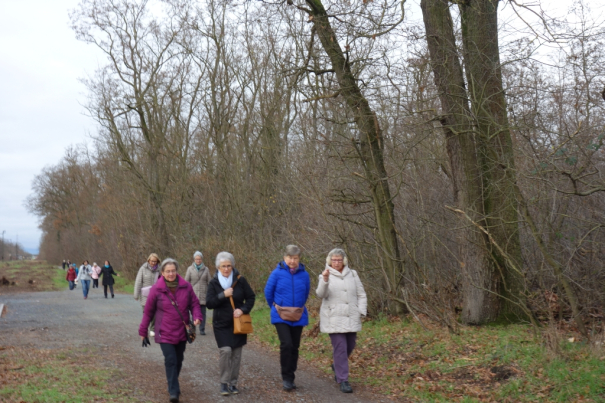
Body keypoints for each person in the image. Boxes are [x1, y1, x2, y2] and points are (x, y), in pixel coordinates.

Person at [139, 258, 202, 403]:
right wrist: (143, 331)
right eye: (167, 271)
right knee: (171, 360)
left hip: (181, 331)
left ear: (177, 271)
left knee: (179, 359)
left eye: (173, 270)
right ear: (162, 272)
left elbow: (195, 304)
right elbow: (148, 312)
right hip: (164, 332)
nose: (171, 273)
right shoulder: (156, 289)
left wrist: (197, 316)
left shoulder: (186, 286)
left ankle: (173, 381)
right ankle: (173, 390)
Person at [316, 248, 367, 394]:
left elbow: (361, 294)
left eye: (339, 260)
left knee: (350, 345)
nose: (336, 262)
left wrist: (361, 311)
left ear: (344, 260)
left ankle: (337, 365)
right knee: (340, 348)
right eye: (334, 260)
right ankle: (343, 380)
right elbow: (321, 294)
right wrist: (325, 280)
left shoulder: (353, 274)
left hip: (351, 316)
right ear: (329, 261)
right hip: (334, 317)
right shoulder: (324, 275)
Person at [206, 252, 256, 396]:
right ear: (218, 267)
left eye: (228, 266)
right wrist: (223, 295)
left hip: (238, 323)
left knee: (236, 355)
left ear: (233, 266)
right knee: (226, 351)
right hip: (221, 324)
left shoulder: (241, 280)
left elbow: (251, 297)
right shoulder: (214, 283)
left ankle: (233, 383)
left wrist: (243, 309)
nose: (226, 269)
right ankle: (223, 383)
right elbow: (209, 303)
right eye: (223, 266)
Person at [264, 245, 310, 391]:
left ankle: (291, 375)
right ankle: (286, 377)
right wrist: (276, 307)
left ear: (299, 259)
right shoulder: (276, 274)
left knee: (295, 346)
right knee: (287, 344)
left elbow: (306, 293)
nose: (292, 261)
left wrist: (298, 306)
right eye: (290, 258)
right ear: (284, 258)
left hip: (298, 314)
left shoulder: (305, 275)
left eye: (295, 258)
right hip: (280, 315)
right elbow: (268, 293)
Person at [134, 253, 161, 336]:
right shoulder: (143, 269)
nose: (153, 263)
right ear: (148, 260)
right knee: (147, 312)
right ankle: (145, 327)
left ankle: (153, 329)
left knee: (155, 312)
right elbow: (138, 281)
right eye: (152, 261)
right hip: (145, 295)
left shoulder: (159, 270)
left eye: (155, 261)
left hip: (155, 294)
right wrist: (136, 294)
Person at [184, 251, 210, 335]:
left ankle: (202, 329)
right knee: (193, 312)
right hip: (193, 294)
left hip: (203, 293)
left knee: (203, 313)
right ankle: (193, 328)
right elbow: (186, 282)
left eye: (199, 259)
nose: (198, 260)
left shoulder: (206, 269)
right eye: (196, 259)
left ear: (202, 259)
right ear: (194, 259)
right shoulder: (190, 269)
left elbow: (209, 282)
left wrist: (210, 293)